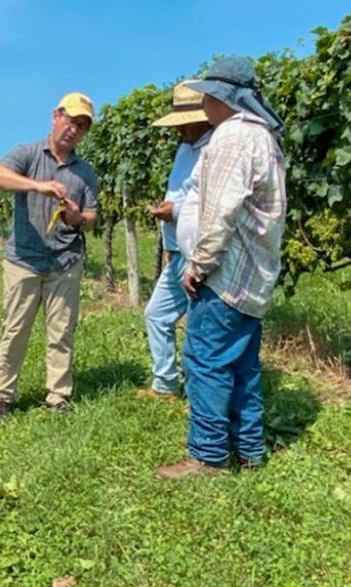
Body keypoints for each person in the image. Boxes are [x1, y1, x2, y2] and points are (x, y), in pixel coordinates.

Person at [155, 57, 287, 478]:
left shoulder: (232, 137)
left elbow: (220, 212)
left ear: (223, 96)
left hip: (226, 276)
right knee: (243, 365)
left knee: (205, 360)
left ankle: (208, 456)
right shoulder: (262, 136)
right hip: (252, 277)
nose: (204, 102)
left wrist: (198, 264)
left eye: (208, 94)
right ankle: (249, 450)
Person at [0, 92, 99, 430]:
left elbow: (92, 218)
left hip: (66, 260)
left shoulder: (84, 172)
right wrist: (38, 186)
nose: (74, 130)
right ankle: (2, 398)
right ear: (55, 116)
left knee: (61, 332)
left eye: (82, 127)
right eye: (71, 121)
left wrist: (77, 217)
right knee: (15, 329)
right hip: (24, 260)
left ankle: (58, 398)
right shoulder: (28, 153)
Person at [142, 81, 213, 400]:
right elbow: (182, 195)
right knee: (156, 314)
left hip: (200, 253)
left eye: (184, 124)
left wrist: (176, 210)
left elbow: (212, 202)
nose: (178, 130)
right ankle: (166, 383)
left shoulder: (215, 148)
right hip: (178, 251)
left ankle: (201, 394)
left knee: (201, 329)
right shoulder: (186, 148)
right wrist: (170, 242)